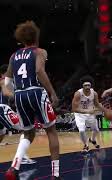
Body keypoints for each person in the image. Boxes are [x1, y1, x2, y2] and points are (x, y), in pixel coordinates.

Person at [4, 21, 60, 179]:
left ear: (21, 39)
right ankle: (55, 175)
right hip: (36, 91)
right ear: (36, 36)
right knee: (51, 131)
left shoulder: (13, 56)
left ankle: (14, 168)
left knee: (28, 133)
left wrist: (12, 94)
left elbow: (7, 82)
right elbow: (39, 71)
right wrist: (52, 92)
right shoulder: (40, 51)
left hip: (20, 95)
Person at [0, 65, 36, 165]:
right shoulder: (4, 81)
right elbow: (6, 93)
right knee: (26, 130)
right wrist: (18, 95)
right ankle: (23, 157)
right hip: (3, 109)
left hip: (3, 109)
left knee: (1, 134)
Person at [72, 75, 107, 153]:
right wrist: (87, 111)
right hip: (79, 114)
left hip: (90, 113)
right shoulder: (78, 94)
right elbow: (74, 109)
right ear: (82, 86)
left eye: (89, 85)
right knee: (81, 130)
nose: (87, 87)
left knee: (96, 130)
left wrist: (105, 110)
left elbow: (97, 104)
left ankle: (93, 140)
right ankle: (86, 145)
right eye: (85, 85)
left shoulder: (94, 93)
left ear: (91, 85)